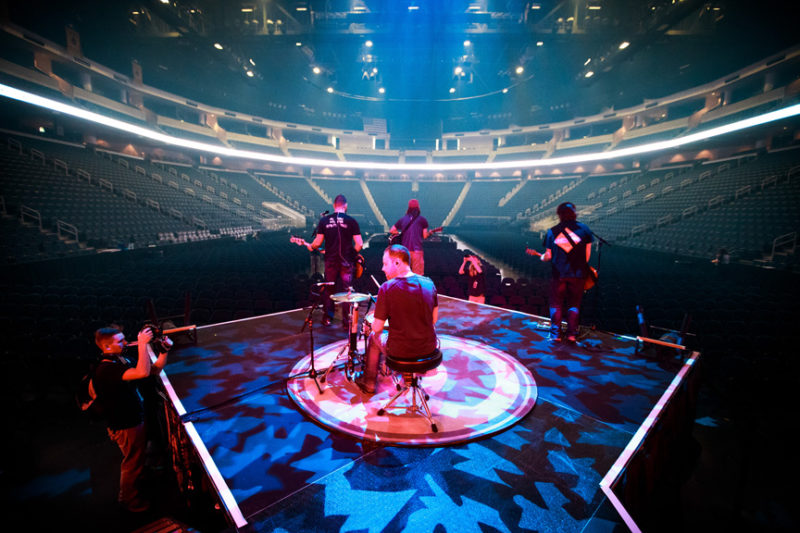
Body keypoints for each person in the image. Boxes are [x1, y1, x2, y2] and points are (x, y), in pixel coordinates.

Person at [91, 325, 171, 513]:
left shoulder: (121, 358)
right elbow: (141, 373)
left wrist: (164, 351)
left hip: (134, 418)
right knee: (132, 463)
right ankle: (129, 500)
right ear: (107, 347)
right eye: (120, 341)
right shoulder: (105, 370)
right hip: (125, 424)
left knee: (137, 457)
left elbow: (152, 370)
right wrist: (143, 343)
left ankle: (136, 483)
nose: (126, 343)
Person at [356, 245, 439, 394]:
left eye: (385, 263)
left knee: (373, 338)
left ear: (397, 263)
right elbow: (434, 319)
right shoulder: (429, 283)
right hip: (430, 350)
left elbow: (377, 328)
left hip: (401, 351)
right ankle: (409, 377)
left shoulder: (387, 288)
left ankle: (368, 384)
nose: (382, 268)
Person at [538, 202, 594, 343]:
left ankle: (555, 335)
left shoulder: (553, 231)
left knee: (556, 304)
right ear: (575, 213)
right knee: (574, 305)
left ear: (559, 214)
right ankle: (571, 335)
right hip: (578, 275)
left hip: (559, 275)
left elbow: (548, 256)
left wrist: (541, 257)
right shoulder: (585, 230)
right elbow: (587, 257)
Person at [306, 194, 364, 326]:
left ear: (334, 205)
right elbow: (359, 244)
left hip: (330, 261)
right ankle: (346, 321)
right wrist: (352, 254)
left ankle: (327, 318)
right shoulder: (351, 221)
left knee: (329, 290)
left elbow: (318, 241)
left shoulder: (324, 221)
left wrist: (312, 246)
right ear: (346, 206)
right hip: (346, 261)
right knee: (347, 290)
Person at [389, 199, 431, 275]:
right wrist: (429, 233)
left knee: (404, 274)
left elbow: (392, 230)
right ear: (418, 207)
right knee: (417, 276)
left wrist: (399, 234)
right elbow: (424, 236)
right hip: (417, 251)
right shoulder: (422, 220)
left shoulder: (403, 219)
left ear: (408, 208)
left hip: (405, 252)